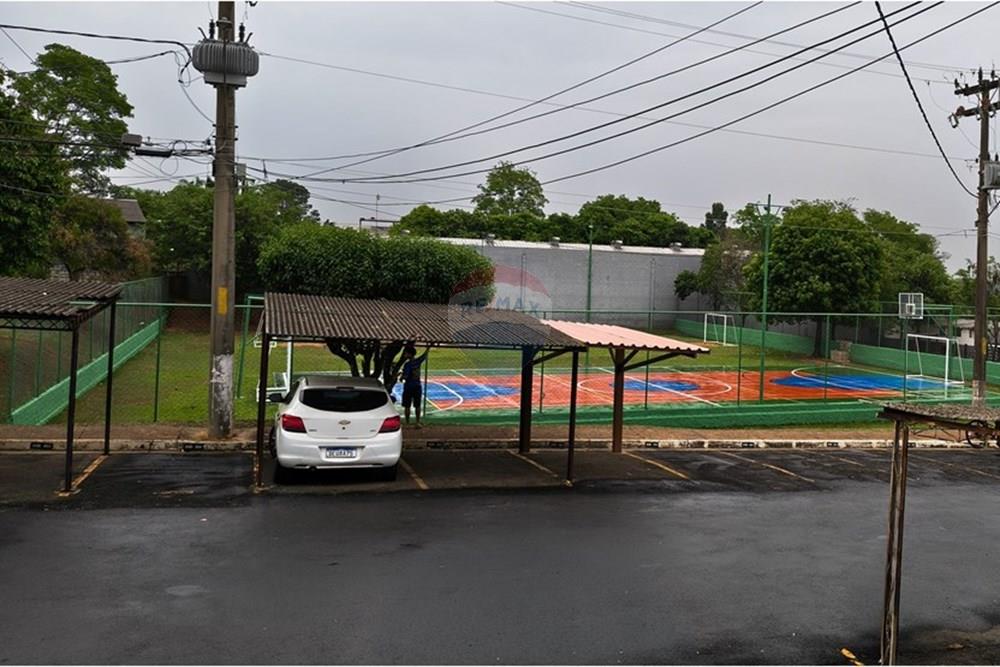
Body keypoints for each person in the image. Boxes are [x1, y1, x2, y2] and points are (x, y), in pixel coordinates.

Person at [398, 343, 429, 427]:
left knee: (407, 405)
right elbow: (424, 356)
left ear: (409, 354)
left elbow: (405, 376)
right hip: (417, 385)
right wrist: (427, 348)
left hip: (409, 386)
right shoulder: (417, 362)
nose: (404, 354)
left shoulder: (407, 365)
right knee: (417, 404)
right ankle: (417, 422)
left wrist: (401, 376)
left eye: (406, 353)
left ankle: (407, 422)